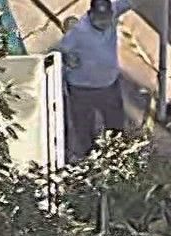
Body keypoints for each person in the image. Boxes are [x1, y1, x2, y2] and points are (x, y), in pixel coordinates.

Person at [58, 0, 136, 160]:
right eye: (100, 20)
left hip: (109, 85)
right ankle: (89, 157)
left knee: (116, 123)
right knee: (84, 127)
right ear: (90, 15)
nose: (105, 23)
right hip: (82, 89)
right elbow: (58, 51)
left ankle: (117, 154)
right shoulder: (78, 33)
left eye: (107, 19)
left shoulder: (113, 13)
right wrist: (67, 58)